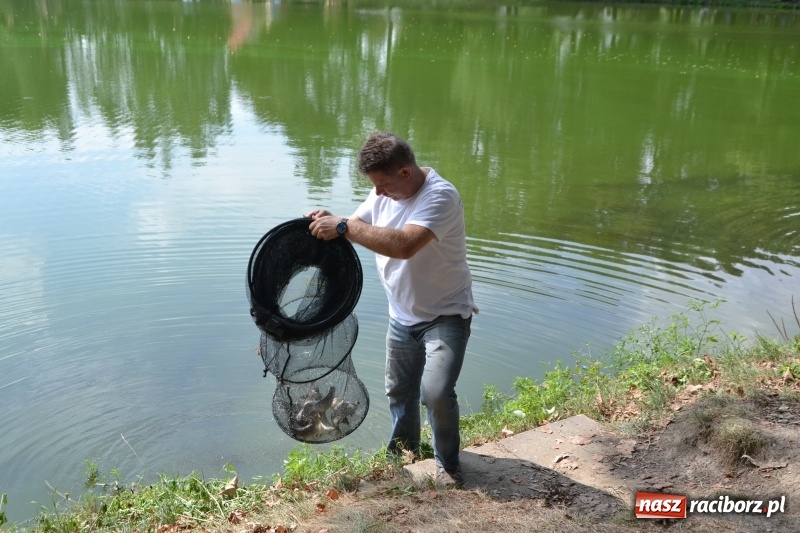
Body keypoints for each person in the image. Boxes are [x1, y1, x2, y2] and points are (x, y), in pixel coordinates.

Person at [308, 132, 478, 488]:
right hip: (401, 317)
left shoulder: (440, 196)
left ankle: (447, 465)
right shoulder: (383, 190)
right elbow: (354, 227)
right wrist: (333, 222)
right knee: (399, 392)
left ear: (405, 172)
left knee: (435, 393)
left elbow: (403, 245)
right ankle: (404, 456)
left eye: (384, 184)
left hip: (445, 315)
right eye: (375, 186)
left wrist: (344, 225)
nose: (379, 193)